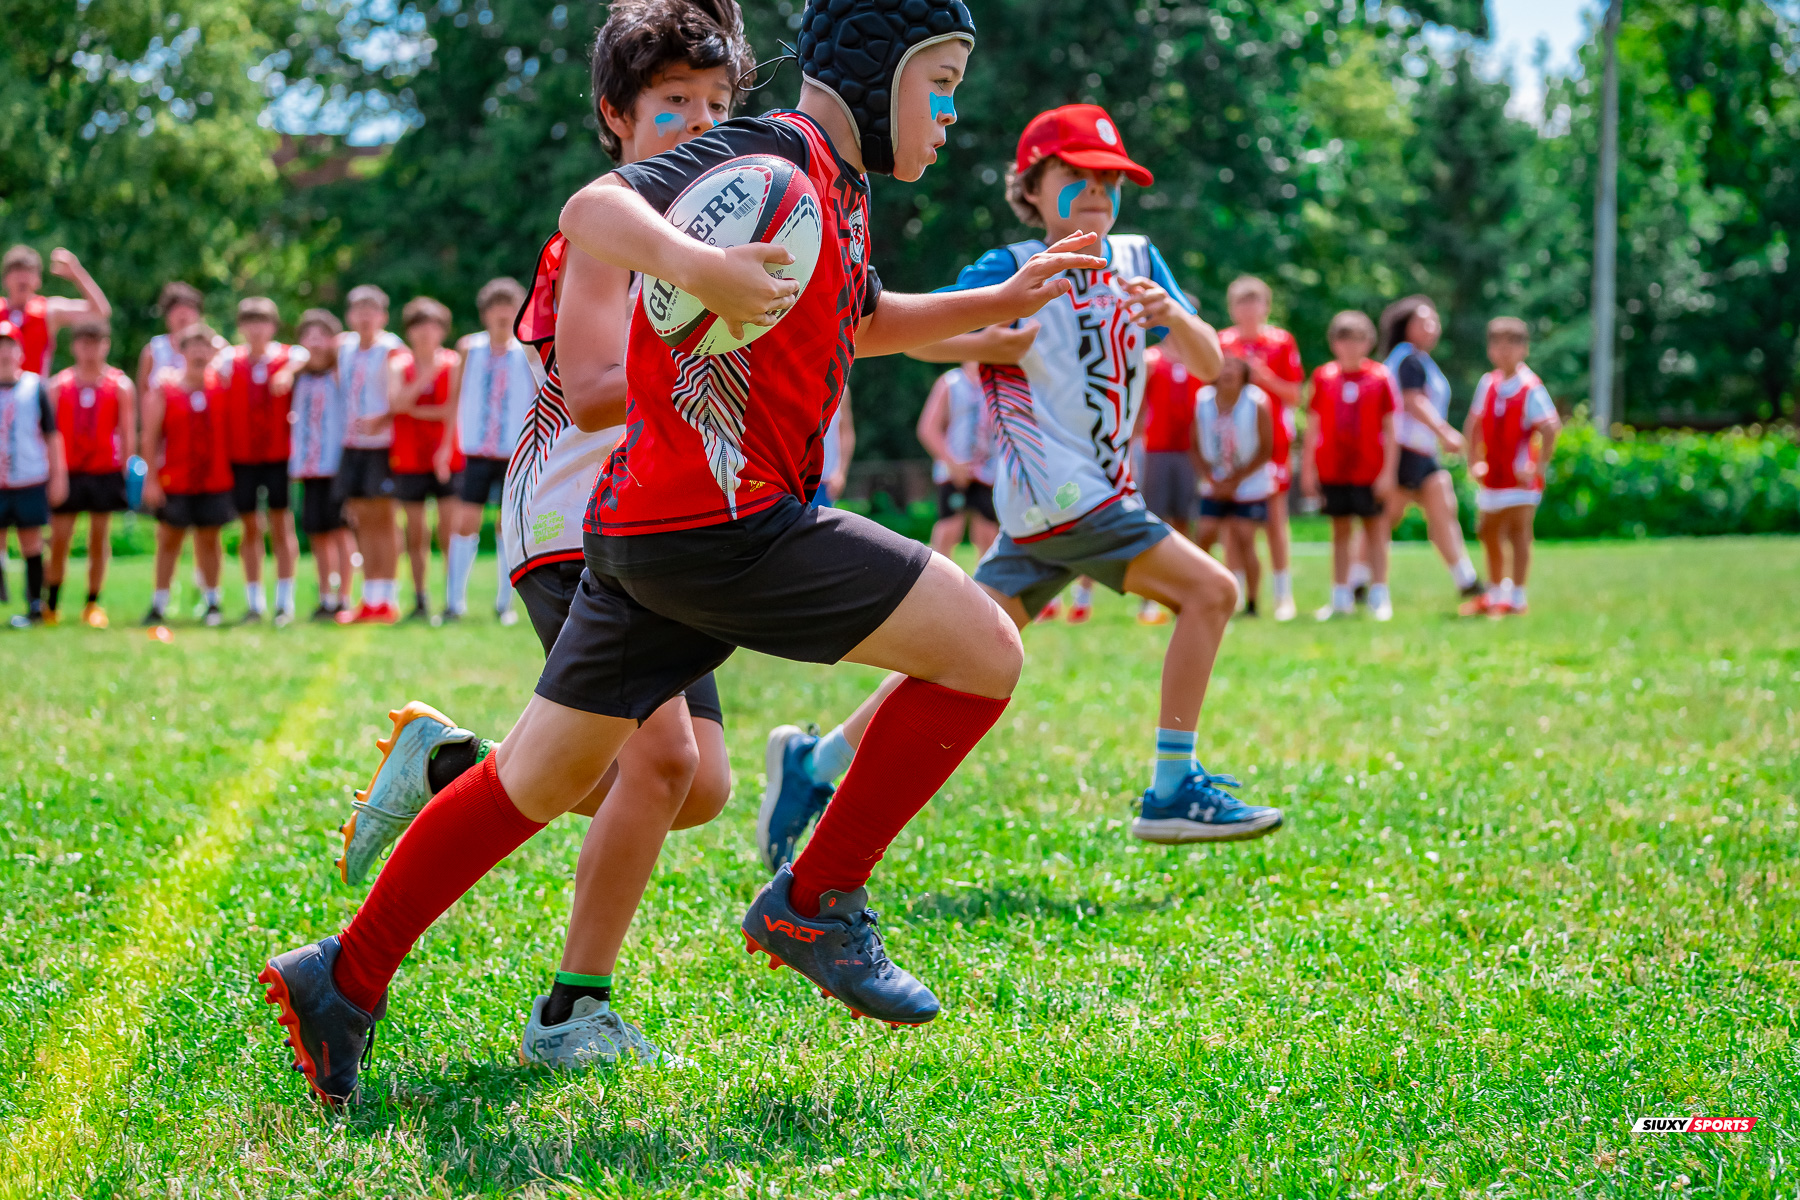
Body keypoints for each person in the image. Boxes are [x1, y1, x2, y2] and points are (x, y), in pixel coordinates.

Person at [261, 0, 1106, 1106]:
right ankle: (821, 896)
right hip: (727, 525)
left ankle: (343, 974)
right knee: (986, 648)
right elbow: (595, 207)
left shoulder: (834, 192)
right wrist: (693, 267)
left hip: (650, 534)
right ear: (875, 67)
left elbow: (858, 318)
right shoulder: (772, 149)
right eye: (939, 81)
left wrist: (993, 303)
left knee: (546, 777)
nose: (951, 113)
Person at [292, 0, 751, 1084]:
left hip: (667, 523)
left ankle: (459, 768)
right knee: (664, 757)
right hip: (578, 519)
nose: (699, 122)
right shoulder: (604, 224)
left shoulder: (722, 228)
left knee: (703, 787)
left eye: (719, 104)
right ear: (616, 117)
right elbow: (594, 397)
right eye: (672, 104)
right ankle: (572, 1007)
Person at [760, 102, 1283, 875]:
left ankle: (816, 763)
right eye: (1076, 176)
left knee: (953, 657)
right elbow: (914, 343)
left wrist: (1175, 316)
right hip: (1071, 501)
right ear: (1031, 188)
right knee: (1210, 592)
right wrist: (991, 337)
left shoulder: (1140, 259)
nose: (1098, 192)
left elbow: (1210, 365)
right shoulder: (1009, 266)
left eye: (1110, 178)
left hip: (1053, 511)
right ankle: (1173, 784)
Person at [1378, 294, 1483, 604]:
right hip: (1404, 451)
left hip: (1422, 453)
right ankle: (1356, 581)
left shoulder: (1416, 359)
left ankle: (1467, 579)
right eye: (1423, 321)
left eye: (1434, 320)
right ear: (1405, 326)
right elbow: (1413, 402)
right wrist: (1445, 433)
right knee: (1386, 519)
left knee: (1440, 509)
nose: (1432, 326)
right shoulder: (1407, 359)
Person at [1460, 317, 1560, 617]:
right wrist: (1474, 460)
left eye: (1511, 344)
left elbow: (1551, 428)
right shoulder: (1488, 383)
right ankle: (1494, 592)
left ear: (1524, 348)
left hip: (1519, 480)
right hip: (1493, 476)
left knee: (1518, 534)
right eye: (1497, 344)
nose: (1504, 351)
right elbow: (1474, 424)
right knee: (1487, 531)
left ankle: (1517, 596)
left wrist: (1538, 466)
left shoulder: (1530, 387)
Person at [1303, 310, 1399, 622]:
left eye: (1357, 339)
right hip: (1333, 467)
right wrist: (1308, 470)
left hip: (1369, 467)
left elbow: (1391, 428)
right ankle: (1340, 597)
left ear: (1368, 342)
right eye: (1343, 339)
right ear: (1334, 343)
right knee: (1340, 530)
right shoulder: (1324, 377)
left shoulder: (1380, 377)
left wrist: (1388, 472)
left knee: (1375, 529)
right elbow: (1313, 426)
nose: (1350, 346)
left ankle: (1379, 594)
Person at [447, 277, 534, 623]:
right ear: (484, 313)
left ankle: (504, 604)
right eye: (495, 306)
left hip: (513, 450)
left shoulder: (527, 350)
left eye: (508, 305)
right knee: (464, 521)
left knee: (506, 526)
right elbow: (453, 400)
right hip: (476, 451)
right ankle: (454, 602)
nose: (502, 313)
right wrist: (445, 446)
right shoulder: (469, 348)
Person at [1217, 276, 1303, 620]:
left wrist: (1262, 376)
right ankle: (1235, 593)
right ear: (1232, 308)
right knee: (1230, 524)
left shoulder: (1281, 343)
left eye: (1255, 303)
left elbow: (1294, 394)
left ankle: (1283, 594)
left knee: (1275, 519)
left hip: (1272, 444)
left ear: (1266, 307)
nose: (1249, 310)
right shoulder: (1223, 343)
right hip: (1228, 446)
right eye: (1242, 303)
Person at [140, 323, 235, 628]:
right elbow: (150, 437)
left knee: (210, 539)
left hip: (214, 478)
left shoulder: (221, 385)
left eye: (204, 346)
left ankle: (212, 601)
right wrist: (151, 479)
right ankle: (159, 603)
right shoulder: (165, 389)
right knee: (169, 539)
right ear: (181, 351)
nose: (199, 352)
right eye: (192, 346)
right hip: (176, 479)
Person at [46, 321, 134, 628]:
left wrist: (128, 473)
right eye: (83, 343)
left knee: (99, 539)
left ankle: (92, 603)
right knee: (59, 539)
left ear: (105, 345)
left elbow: (126, 430)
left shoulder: (119, 385)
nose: (89, 350)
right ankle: (51, 604)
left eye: (95, 343)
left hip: (104, 471)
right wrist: (53, 472)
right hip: (68, 471)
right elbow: (50, 431)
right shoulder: (59, 385)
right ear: (74, 347)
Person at [221, 297, 299, 625]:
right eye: (250, 321)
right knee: (250, 527)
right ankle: (255, 602)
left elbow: (306, 355)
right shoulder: (229, 361)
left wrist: (289, 372)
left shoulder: (286, 356)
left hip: (278, 455)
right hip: (242, 455)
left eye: (263, 321)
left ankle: (285, 601)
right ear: (241, 327)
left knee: (282, 525)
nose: (257, 329)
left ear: (273, 326)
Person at [387, 297, 463, 622]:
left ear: (442, 329)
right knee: (415, 532)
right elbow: (395, 403)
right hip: (408, 456)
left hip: (446, 455)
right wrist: (425, 373)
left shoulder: (455, 362)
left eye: (432, 326)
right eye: (418, 326)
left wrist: (414, 408)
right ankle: (419, 599)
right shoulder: (398, 364)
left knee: (448, 531)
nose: (425, 333)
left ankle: (453, 599)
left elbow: (451, 410)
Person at [332, 285, 405, 624]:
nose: (364, 316)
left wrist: (386, 415)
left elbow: (400, 392)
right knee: (361, 520)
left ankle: (387, 599)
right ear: (349, 316)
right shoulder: (344, 347)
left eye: (371, 309)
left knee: (384, 521)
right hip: (351, 445)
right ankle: (369, 599)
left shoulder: (391, 348)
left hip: (382, 447)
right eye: (358, 309)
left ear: (383, 316)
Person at [1189, 357, 1273, 616]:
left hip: (1249, 482)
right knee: (1205, 533)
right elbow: (1193, 443)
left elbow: (1266, 448)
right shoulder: (1202, 400)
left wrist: (1236, 479)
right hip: (1215, 480)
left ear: (1243, 373)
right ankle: (1197, 593)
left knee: (1246, 537)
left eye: (1233, 367)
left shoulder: (1257, 402)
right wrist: (1211, 477)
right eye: (1222, 366)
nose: (1227, 372)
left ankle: (1252, 602)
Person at [0, 320, 69, 627]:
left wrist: (58, 476)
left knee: (31, 542)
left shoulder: (34, 386)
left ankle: (34, 605)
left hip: (29, 478)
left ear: (19, 350)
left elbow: (53, 436)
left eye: (9, 344)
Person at [286, 310, 353, 620]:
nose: (315, 341)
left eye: (322, 334)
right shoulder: (298, 376)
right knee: (317, 533)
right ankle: (325, 595)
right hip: (309, 467)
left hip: (336, 465)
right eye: (308, 335)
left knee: (341, 532)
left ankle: (345, 597)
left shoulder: (341, 372)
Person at [1132, 341, 1202, 623]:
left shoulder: (1198, 358)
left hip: (1190, 451)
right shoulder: (1152, 359)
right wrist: (1133, 447)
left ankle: (1184, 593)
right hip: (1156, 450)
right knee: (1153, 523)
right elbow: (1138, 405)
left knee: (1185, 523)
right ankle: (1148, 598)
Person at [916, 362, 998, 557]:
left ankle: (986, 587)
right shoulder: (950, 382)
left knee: (989, 533)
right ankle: (937, 584)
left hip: (986, 471)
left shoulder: (994, 383)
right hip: (953, 470)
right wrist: (951, 462)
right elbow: (928, 428)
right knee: (949, 529)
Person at [1, 246, 112, 379]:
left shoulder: (49, 311)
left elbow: (100, 312)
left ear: (38, 280)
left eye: (29, 271)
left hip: (35, 395)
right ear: (5, 279)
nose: (23, 278)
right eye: (17, 271)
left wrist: (77, 274)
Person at [136, 282, 207, 400]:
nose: (183, 315)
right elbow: (143, 394)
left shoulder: (214, 347)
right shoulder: (153, 350)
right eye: (176, 309)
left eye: (189, 308)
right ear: (166, 316)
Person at [813, 392, 854, 506]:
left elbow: (846, 433)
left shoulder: (842, 389)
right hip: (799, 477)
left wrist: (841, 472)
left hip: (826, 480)